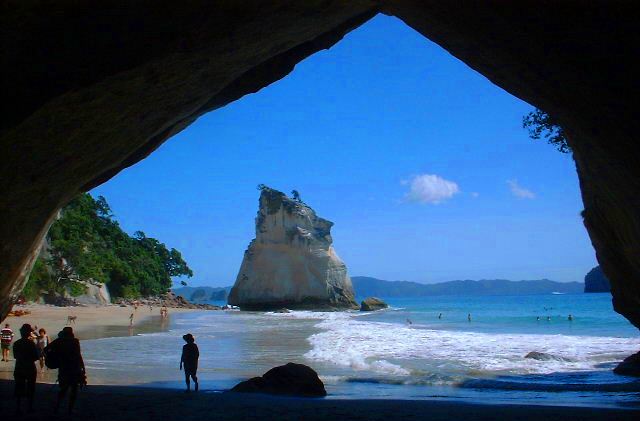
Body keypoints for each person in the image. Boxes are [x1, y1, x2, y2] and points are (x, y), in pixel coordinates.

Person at [48, 327, 86, 415]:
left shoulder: (59, 341)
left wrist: (55, 359)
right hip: (74, 369)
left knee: (63, 389)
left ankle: (57, 407)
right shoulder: (75, 341)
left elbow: (46, 349)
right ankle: (70, 410)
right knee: (73, 390)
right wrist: (83, 368)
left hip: (64, 369)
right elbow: (78, 355)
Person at [13, 324, 39, 414]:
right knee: (31, 388)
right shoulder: (31, 344)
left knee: (19, 388)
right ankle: (29, 407)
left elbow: (15, 356)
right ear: (28, 333)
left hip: (19, 367)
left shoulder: (16, 343)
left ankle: (18, 407)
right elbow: (36, 357)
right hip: (30, 367)